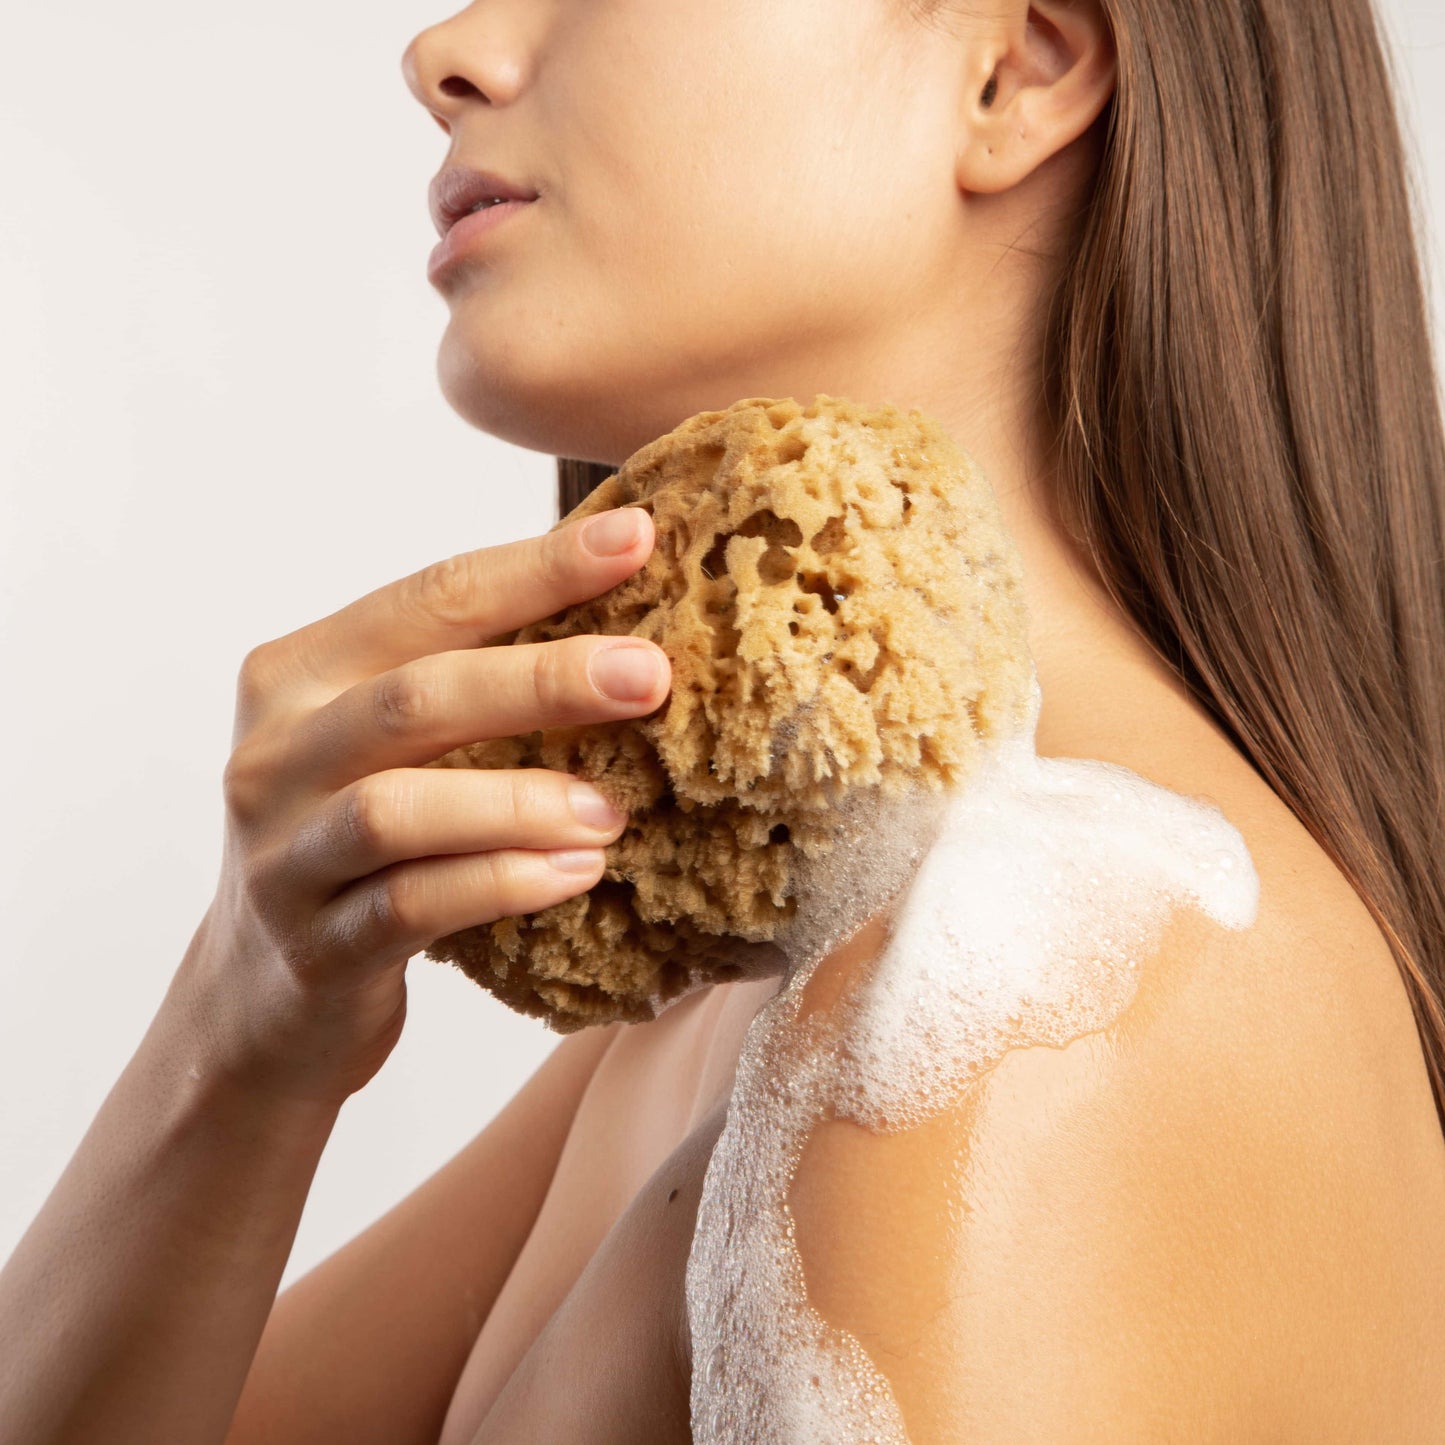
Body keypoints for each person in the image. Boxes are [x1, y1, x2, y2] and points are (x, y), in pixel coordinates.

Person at [3, 0, 1445, 1438]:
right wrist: (244, 1024)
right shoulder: (749, 1001)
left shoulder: (1044, 996)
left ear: (1018, 64)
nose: (445, 55)